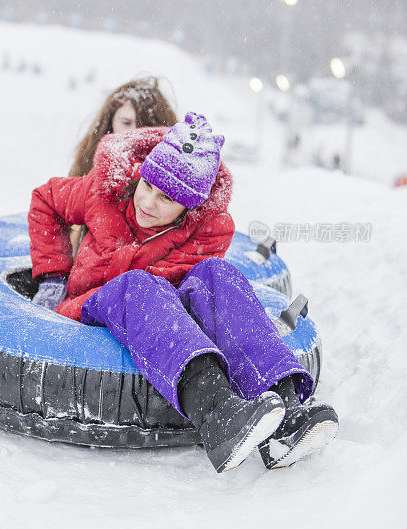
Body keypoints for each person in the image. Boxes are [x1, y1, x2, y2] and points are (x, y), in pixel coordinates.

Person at [29, 113, 338, 473]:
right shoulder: (104, 192)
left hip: (159, 319)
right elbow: (45, 200)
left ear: (189, 207)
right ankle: (217, 412)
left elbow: (194, 293)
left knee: (216, 274)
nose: (148, 203)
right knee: (139, 285)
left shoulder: (208, 231)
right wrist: (52, 276)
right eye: (147, 186)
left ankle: (286, 416)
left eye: (166, 199)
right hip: (91, 307)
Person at [69, 76, 177, 177]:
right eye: (126, 123)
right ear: (110, 122)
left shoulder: (173, 170)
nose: (133, 132)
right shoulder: (88, 165)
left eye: (144, 127)